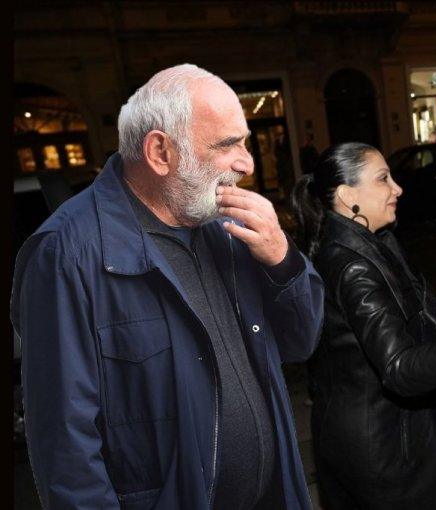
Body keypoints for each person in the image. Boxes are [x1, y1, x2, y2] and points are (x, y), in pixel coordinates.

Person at [10, 64, 324, 509]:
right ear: (160, 152)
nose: (247, 163)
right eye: (227, 145)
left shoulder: (229, 226)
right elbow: (66, 451)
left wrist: (282, 259)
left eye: (245, 143)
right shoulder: (67, 254)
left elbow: (301, 341)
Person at [290, 142, 436, 509]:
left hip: (391, 432)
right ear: (347, 196)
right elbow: (399, 367)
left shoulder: (376, 242)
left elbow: (412, 336)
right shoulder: (352, 265)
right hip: (386, 454)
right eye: (383, 179)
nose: (398, 188)